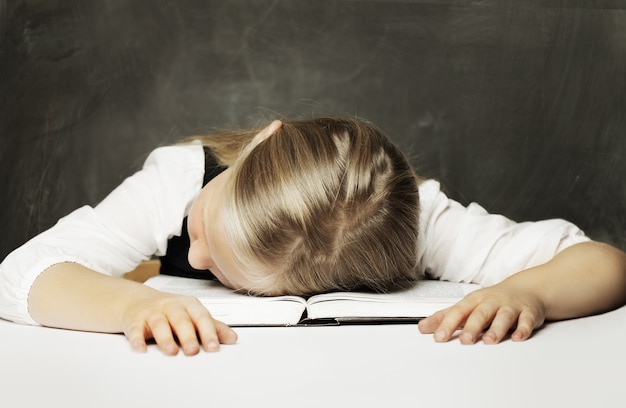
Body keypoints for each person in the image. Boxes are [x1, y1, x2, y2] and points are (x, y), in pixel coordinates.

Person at [0, 117, 625, 356]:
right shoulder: (178, 179)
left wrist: (533, 294)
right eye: (205, 231)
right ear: (263, 141)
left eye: (221, 269)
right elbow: (21, 273)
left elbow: (605, 263)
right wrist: (136, 302)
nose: (192, 257)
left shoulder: (413, 222)